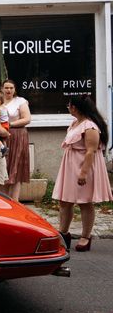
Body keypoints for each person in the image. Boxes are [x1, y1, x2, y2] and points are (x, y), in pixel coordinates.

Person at [52, 95, 112, 252]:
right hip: (71, 167)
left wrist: (83, 173)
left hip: (83, 167)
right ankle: (63, 233)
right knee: (65, 201)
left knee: (85, 202)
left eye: (69, 105)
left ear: (74, 108)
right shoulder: (75, 123)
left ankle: (86, 236)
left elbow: (91, 151)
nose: (68, 107)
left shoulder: (90, 126)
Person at [2, 79, 31, 201]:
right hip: (2, 137)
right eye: (6, 88)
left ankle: (15, 200)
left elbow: (27, 119)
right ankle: (4, 200)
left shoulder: (20, 101)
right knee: (4, 169)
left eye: (11, 88)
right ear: (2, 89)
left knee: (16, 168)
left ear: (15, 89)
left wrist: (10, 125)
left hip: (18, 136)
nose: (8, 90)